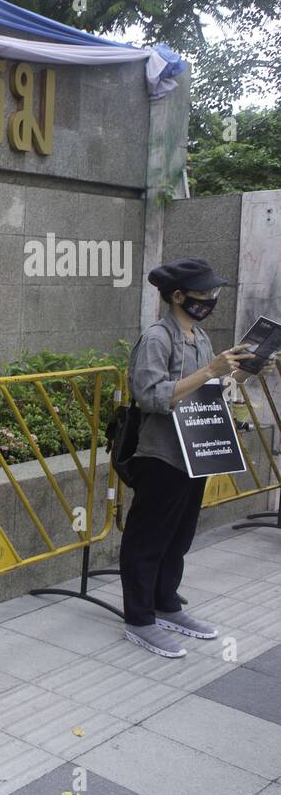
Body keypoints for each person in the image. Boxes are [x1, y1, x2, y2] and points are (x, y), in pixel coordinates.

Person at [119, 258, 254, 658]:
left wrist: (241, 372)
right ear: (178, 296)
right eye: (204, 294)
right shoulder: (158, 338)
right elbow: (151, 395)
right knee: (148, 538)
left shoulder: (201, 337)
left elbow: (212, 388)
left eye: (214, 293)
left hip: (197, 452)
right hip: (161, 455)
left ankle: (166, 602)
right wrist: (210, 369)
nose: (210, 299)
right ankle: (139, 618)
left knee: (179, 535)